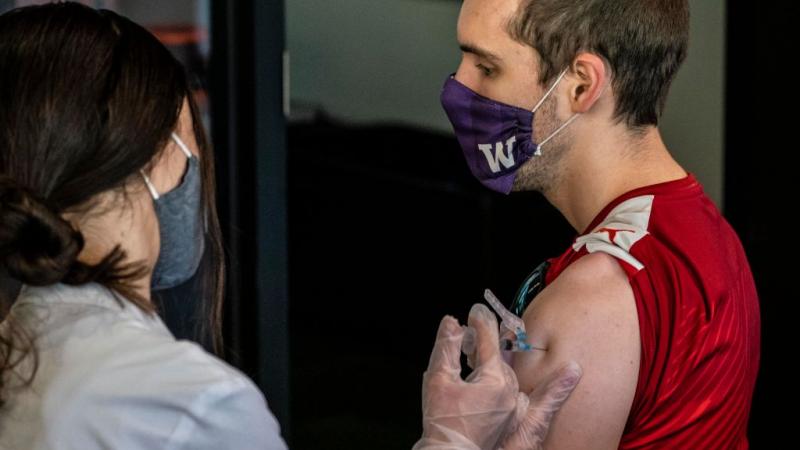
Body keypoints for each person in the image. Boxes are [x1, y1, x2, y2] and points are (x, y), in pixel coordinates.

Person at [0, 3, 579, 449]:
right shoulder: (189, 405)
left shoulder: (21, 352)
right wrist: (452, 441)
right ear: (157, 156)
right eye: (190, 134)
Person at [439, 0, 760, 448]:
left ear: (581, 85)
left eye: (487, 68)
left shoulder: (588, 302)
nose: (458, 85)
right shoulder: (709, 231)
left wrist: (449, 441)